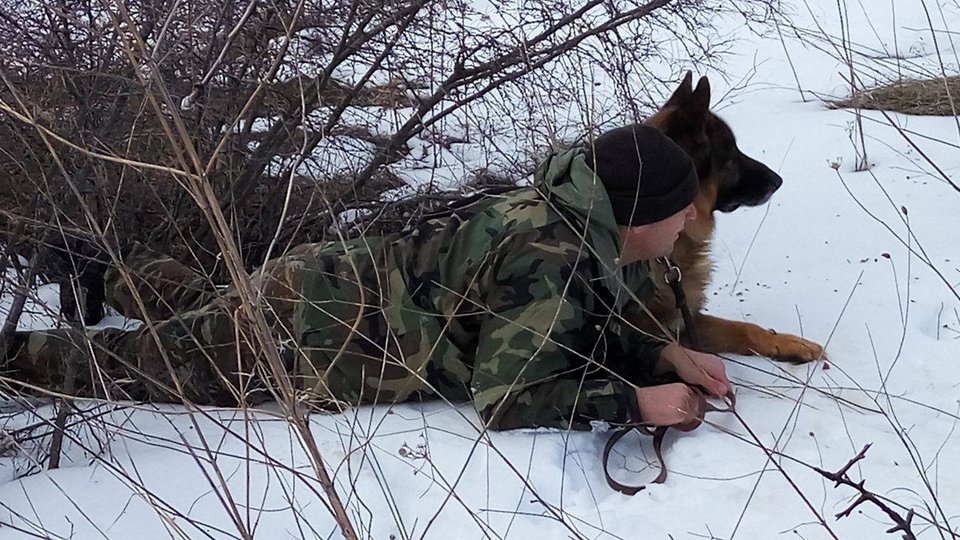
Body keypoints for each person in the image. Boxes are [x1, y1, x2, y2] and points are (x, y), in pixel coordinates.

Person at [5, 124, 730, 431]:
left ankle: (104, 269)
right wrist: (635, 404)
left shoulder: (569, 204)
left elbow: (563, 325)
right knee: (127, 366)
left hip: (319, 285)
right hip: (314, 339)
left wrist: (659, 354)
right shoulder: (554, 255)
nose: (686, 228)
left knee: (208, 298)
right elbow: (509, 398)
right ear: (636, 216)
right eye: (678, 215)